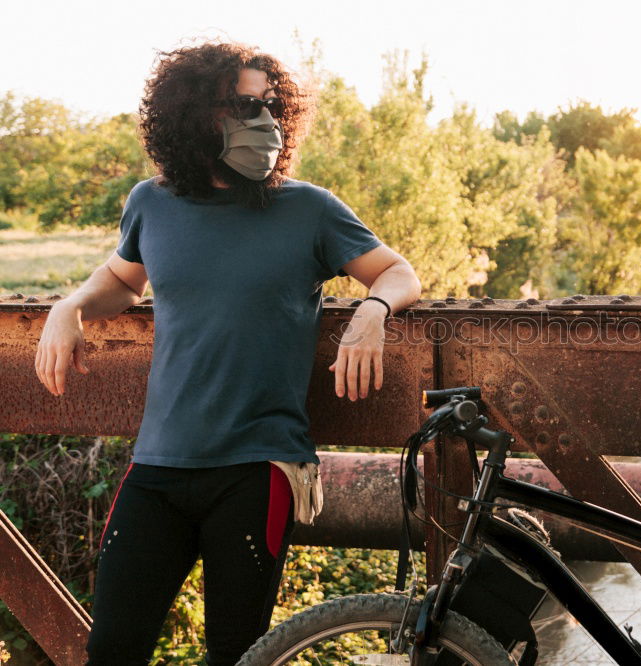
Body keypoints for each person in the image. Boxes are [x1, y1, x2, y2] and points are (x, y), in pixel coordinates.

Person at [33, 41, 422, 665]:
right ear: (194, 114)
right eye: (244, 105)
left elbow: (398, 272)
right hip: (158, 467)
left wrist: (372, 312)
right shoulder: (151, 202)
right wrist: (67, 308)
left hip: (257, 470)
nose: (263, 120)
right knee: (112, 648)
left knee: (237, 657)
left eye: (269, 104)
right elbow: (124, 280)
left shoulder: (310, 209)